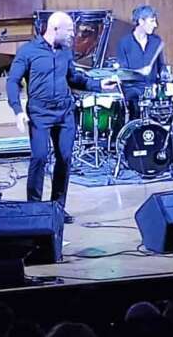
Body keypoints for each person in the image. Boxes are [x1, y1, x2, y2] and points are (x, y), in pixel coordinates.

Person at [7, 11, 117, 223]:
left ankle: (57, 206)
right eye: (69, 31)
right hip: (39, 114)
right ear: (54, 28)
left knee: (64, 159)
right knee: (39, 157)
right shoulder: (28, 52)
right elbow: (13, 81)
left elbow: (74, 78)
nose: (72, 35)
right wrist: (18, 111)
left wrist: (98, 85)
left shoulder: (66, 52)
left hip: (65, 112)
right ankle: (35, 208)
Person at [116, 4, 167, 120]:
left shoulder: (156, 41)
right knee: (136, 98)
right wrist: (140, 72)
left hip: (152, 88)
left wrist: (165, 79)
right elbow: (123, 73)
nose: (155, 25)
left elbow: (161, 67)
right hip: (132, 90)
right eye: (152, 21)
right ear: (141, 21)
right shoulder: (124, 43)